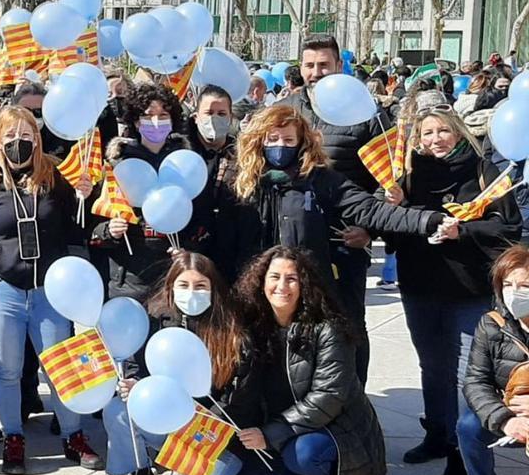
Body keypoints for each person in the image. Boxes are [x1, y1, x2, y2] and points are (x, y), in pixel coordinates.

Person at [233, 105, 447, 382]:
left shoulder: (321, 179)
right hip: (257, 294)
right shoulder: (243, 183)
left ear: (302, 142)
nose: (279, 146)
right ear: (259, 140)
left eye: (288, 140)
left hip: (307, 294)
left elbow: (370, 209)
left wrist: (425, 221)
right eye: (272, 139)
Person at [0, 106, 103, 475]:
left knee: (59, 367)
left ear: (37, 140)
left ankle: (73, 434)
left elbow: (75, 226)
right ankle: (13, 437)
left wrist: (91, 192)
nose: (17, 143)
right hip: (2, 289)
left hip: (48, 292)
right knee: (7, 370)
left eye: (25, 136)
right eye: (9, 136)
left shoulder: (54, 177)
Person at [383, 108, 520, 475]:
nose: (435, 139)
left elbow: (509, 228)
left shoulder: (484, 171)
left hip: (469, 290)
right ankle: (437, 435)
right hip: (420, 288)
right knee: (433, 366)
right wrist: (393, 208)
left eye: (443, 130)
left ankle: (465, 450)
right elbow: (394, 238)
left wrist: (466, 232)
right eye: (427, 132)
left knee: (467, 374)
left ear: (459, 133)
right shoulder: (409, 175)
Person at [100, 252, 258, 475]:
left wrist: (198, 422)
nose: (191, 293)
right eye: (183, 286)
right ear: (171, 288)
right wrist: (136, 385)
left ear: (214, 289)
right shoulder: (155, 320)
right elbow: (139, 369)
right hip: (174, 425)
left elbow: (241, 401)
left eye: (200, 286)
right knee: (119, 409)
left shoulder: (233, 332)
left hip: (216, 437)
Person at [232, 246, 386, 475]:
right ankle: (297, 474)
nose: (282, 286)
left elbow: (328, 397)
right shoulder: (252, 326)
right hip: (278, 430)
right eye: (274, 277)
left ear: (305, 284)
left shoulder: (328, 328)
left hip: (331, 430)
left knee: (303, 455)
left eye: (292, 278)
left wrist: (270, 433)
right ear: (261, 280)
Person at [273, 35, 385, 379]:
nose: (316, 72)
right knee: (294, 327)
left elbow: (390, 179)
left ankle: (354, 410)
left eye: (324, 65)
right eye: (309, 65)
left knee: (348, 327)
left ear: (339, 66)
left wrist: (370, 230)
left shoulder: (365, 112)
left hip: (343, 244)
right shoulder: (285, 110)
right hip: (294, 243)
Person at [457, 246, 529, 475]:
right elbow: (475, 381)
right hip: (509, 409)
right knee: (469, 426)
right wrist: (505, 419)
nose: (514, 293)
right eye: (507, 285)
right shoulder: (492, 324)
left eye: (524, 286)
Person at [92, 83, 187, 301]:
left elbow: (200, 219)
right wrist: (109, 230)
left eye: (163, 115)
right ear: (135, 120)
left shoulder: (184, 164)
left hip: (172, 278)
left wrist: (188, 251)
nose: (156, 122)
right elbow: (93, 225)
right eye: (148, 115)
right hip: (128, 281)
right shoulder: (119, 165)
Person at [185, 85, 243, 277]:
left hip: (230, 248)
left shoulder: (243, 155)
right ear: (196, 117)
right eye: (208, 112)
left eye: (221, 113)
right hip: (189, 248)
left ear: (231, 117)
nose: (214, 119)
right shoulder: (182, 152)